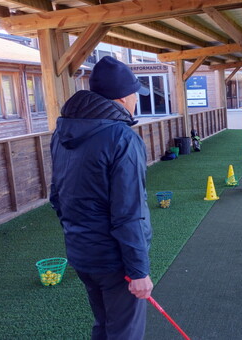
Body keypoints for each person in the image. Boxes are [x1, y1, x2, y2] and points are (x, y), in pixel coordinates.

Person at [50, 56, 154, 339]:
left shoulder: (61, 134)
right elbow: (128, 212)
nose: (136, 99)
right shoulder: (122, 138)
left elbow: (57, 197)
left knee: (105, 325)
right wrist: (138, 271)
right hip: (114, 260)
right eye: (135, 94)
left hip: (82, 253)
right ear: (122, 98)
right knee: (123, 332)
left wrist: (80, 236)